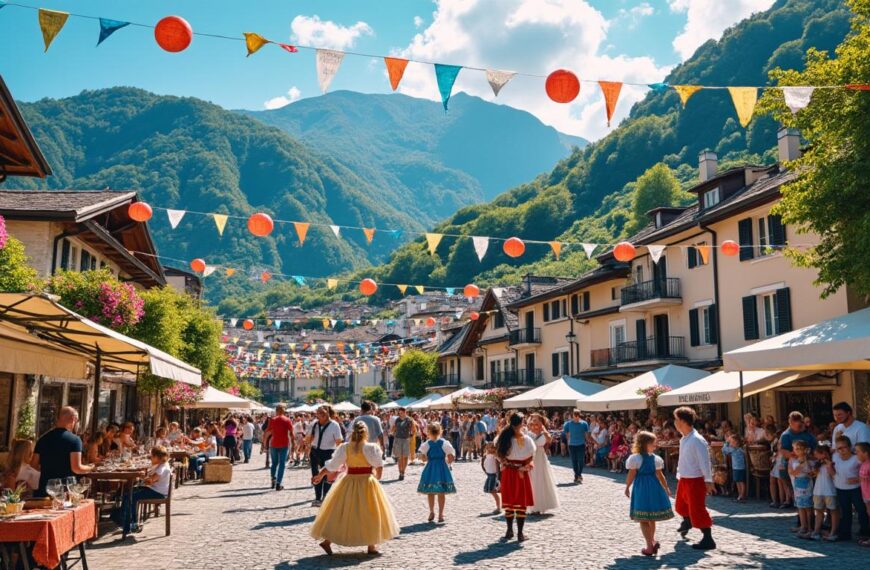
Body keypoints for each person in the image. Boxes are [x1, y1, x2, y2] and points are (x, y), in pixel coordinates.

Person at [310, 422, 399, 556]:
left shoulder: (345, 447)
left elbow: (333, 465)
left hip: (349, 482)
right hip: (367, 482)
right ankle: (371, 546)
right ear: (366, 433)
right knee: (371, 513)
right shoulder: (371, 448)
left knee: (341, 512)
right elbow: (379, 466)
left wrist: (320, 475)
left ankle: (327, 541)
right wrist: (377, 477)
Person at [672, 406, 715, 550]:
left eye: (676, 419)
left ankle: (708, 539)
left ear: (683, 421)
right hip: (684, 478)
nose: (675, 422)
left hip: (695, 479)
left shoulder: (697, 440)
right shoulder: (684, 439)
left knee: (697, 508)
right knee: (680, 506)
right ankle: (688, 521)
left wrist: (708, 480)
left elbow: (705, 461)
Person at [625, 430, 673, 557]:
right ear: (644, 444)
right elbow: (660, 476)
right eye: (653, 443)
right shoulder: (655, 459)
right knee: (651, 517)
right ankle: (651, 541)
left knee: (644, 518)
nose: (655, 445)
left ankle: (649, 546)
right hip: (654, 488)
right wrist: (665, 487)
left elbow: (632, 475)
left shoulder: (635, 458)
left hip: (641, 488)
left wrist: (627, 486)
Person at [30, 407, 94, 497]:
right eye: (77, 421)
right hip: (65, 490)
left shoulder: (42, 439)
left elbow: (33, 465)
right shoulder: (75, 440)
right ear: (73, 419)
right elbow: (76, 468)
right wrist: (91, 468)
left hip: (44, 488)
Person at [112, 446, 171, 535]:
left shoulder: (162, 468)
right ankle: (126, 521)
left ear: (156, 457)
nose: (150, 458)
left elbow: (150, 481)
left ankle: (131, 524)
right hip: (156, 490)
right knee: (128, 492)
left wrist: (142, 476)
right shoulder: (162, 464)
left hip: (158, 493)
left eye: (151, 456)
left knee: (130, 497)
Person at [495, 412, 535, 543]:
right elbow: (530, 458)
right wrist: (526, 466)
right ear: (521, 423)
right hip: (520, 473)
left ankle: (510, 531)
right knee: (519, 503)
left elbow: (498, 454)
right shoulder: (526, 439)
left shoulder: (504, 437)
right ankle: (519, 533)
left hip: (509, 473)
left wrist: (504, 462)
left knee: (510, 503)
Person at [417, 422, 456, 523]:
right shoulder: (444, 443)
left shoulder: (427, 444)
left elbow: (423, 457)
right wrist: (448, 461)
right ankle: (440, 514)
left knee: (430, 491)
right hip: (442, 467)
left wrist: (425, 457)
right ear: (440, 431)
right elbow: (451, 457)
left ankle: (431, 511)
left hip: (430, 467)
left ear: (428, 432)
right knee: (441, 492)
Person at [306, 405, 343, 507]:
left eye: (323, 412)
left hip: (328, 452)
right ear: (317, 414)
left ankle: (325, 498)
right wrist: (306, 444)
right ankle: (317, 498)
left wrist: (340, 456)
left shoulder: (334, 425)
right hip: (315, 452)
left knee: (327, 475)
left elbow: (339, 441)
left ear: (328, 413)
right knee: (316, 475)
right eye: (319, 413)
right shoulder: (314, 424)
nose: (321, 414)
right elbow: (309, 438)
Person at [833, 435, 869, 541]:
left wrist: (857, 479)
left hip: (855, 489)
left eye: (844, 447)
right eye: (838, 448)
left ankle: (865, 533)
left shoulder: (856, 458)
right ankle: (845, 534)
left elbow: (865, 471)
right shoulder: (835, 457)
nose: (841, 450)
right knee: (845, 511)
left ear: (849, 447)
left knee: (861, 510)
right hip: (841, 488)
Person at [528, 413, 559, 515]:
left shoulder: (544, 433)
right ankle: (532, 506)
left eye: (536, 420)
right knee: (531, 480)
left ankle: (539, 505)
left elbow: (549, 440)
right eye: (533, 420)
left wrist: (543, 429)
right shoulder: (528, 433)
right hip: (531, 458)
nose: (534, 422)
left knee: (539, 480)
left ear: (541, 421)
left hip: (540, 458)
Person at [811, 443, 840, 541]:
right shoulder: (818, 464)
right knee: (819, 511)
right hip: (818, 491)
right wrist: (816, 467)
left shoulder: (832, 463)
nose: (815, 456)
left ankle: (833, 532)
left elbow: (834, 475)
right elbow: (814, 474)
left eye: (817, 454)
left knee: (833, 511)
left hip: (830, 491)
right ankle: (816, 531)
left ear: (823, 453)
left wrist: (829, 464)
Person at [787, 440, 815, 537]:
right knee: (800, 507)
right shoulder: (794, 460)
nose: (796, 450)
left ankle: (810, 527)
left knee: (808, 507)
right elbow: (791, 472)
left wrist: (799, 466)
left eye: (798, 448)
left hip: (806, 485)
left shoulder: (809, 461)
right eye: (795, 448)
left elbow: (811, 472)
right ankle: (803, 526)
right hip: (797, 484)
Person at [264, 405, 295, 491]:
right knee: (282, 464)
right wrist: (293, 443)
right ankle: (278, 483)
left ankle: (273, 479)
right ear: (283, 411)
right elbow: (291, 433)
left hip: (274, 444)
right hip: (284, 444)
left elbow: (267, 432)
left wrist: (264, 443)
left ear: (276, 411)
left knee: (274, 463)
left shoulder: (272, 420)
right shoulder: (287, 420)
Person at [564, 410, 589, 483]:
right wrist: (569, 441)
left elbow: (586, 434)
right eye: (575, 416)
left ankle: (579, 474)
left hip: (581, 444)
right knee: (574, 461)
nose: (576, 418)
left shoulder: (584, 424)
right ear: (573, 416)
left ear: (579, 416)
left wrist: (588, 442)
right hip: (572, 445)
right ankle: (577, 475)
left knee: (581, 460)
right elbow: (567, 434)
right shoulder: (568, 424)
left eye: (577, 416)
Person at [391, 407, 415, 481]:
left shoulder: (409, 420)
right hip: (398, 439)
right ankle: (400, 472)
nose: (400, 414)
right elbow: (393, 428)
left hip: (406, 439)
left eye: (401, 413)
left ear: (405, 412)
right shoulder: (397, 419)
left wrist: (410, 436)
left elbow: (413, 429)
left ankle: (403, 472)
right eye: (399, 413)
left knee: (405, 457)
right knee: (399, 457)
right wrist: (393, 432)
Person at [723, 434, 747, 502]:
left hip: (739, 468)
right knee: (737, 481)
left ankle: (742, 495)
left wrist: (726, 443)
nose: (731, 444)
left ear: (737, 442)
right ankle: (740, 495)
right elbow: (724, 450)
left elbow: (724, 450)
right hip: (736, 468)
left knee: (741, 482)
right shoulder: (736, 449)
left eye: (732, 442)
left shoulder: (736, 449)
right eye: (731, 442)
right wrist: (727, 442)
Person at [481, 442, 501, 514]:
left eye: (492, 447)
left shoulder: (495, 456)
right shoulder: (486, 455)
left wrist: (496, 456)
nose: (490, 449)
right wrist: (485, 470)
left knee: (493, 491)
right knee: (491, 491)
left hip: (493, 475)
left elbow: (500, 461)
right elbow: (484, 464)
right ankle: (498, 506)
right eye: (488, 447)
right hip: (489, 475)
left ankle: (498, 508)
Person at [857, 442, 870, 547]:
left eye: (858, 452)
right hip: (865, 495)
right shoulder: (863, 464)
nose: (856, 454)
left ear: (865, 453)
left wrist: (865, 478)